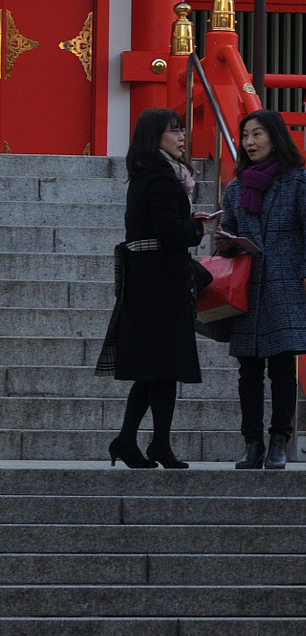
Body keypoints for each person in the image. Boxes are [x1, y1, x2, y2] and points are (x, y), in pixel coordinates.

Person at [216, 109, 306, 471]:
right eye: (245, 135)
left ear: (275, 137)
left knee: (282, 367)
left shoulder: (297, 179)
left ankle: (280, 439)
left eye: (257, 134)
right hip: (248, 285)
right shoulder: (236, 187)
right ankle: (252, 442)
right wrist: (226, 242)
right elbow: (230, 229)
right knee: (248, 370)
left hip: (288, 281)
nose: (249, 142)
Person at [99, 108, 204, 469]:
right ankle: (154, 444)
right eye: (174, 131)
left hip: (148, 281)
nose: (181, 137)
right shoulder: (162, 180)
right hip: (160, 283)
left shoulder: (144, 176)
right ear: (153, 137)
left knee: (154, 369)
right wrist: (199, 228)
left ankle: (131, 440)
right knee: (163, 367)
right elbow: (172, 233)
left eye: (181, 130)